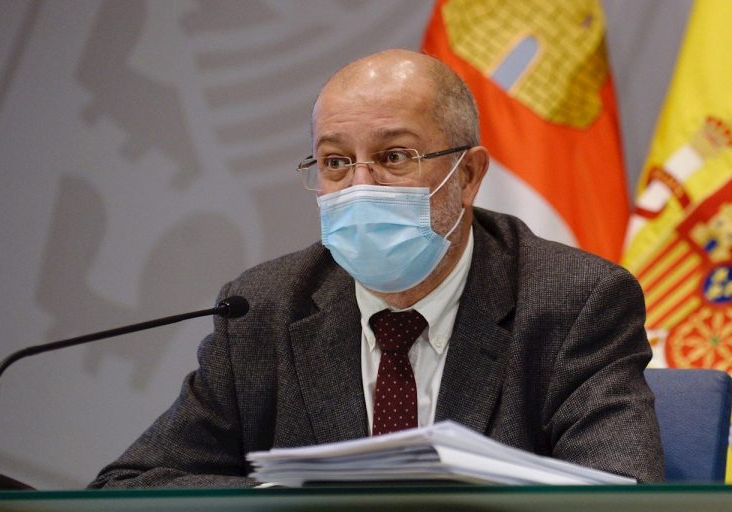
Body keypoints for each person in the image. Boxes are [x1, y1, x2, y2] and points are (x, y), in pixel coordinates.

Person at [90, 49, 664, 487]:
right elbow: (130, 486)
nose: (360, 186)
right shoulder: (264, 308)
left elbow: (621, 490)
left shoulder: (574, 302)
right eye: (336, 162)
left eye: (394, 157)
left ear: (467, 176)